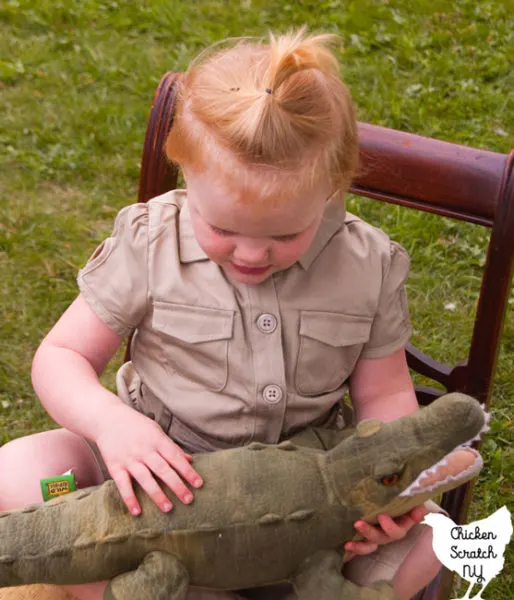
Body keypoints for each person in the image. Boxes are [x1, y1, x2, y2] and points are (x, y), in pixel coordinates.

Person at [0, 29, 442, 600]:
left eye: (286, 234)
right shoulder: (150, 243)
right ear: (186, 174)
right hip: (146, 483)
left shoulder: (367, 265)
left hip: (304, 503)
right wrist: (114, 427)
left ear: (334, 187)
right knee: (21, 470)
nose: (252, 254)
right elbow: (60, 357)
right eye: (223, 228)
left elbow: (384, 396)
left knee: (432, 534)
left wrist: (391, 486)